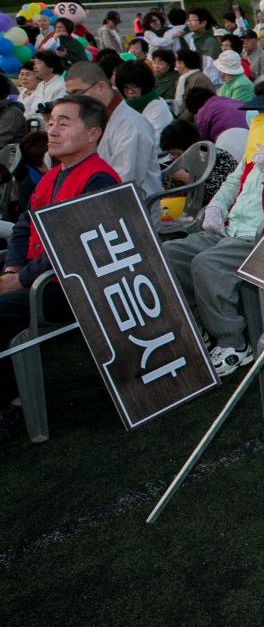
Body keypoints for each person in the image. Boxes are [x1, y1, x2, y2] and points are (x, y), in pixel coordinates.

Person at [162, 82, 264, 375]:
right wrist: (215, 208)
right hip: (230, 229)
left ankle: (233, 342)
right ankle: (198, 326)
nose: (257, 118)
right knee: (169, 254)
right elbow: (232, 182)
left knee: (207, 264)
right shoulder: (256, 147)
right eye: (258, 112)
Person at [1, 97, 120, 414]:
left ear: (93, 133)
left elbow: (73, 247)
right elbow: (25, 225)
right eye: (51, 122)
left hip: (70, 287)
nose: (51, 130)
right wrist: (13, 268)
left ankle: (13, 403)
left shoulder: (99, 179)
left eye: (63, 123)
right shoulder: (55, 175)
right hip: (36, 275)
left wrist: (20, 281)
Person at [63, 61, 162, 198]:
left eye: (78, 93)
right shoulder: (94, 119)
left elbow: (122, 182)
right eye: (69, 95)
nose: (74, 101)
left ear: (101, 87)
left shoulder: (131, 125)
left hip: (132, 209)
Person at [158, 119, 238, 207]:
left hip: (215, 210)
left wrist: (187, 178)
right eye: (171, 155)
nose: (175, 158)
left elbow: (221, 195)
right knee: (158, 211)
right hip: (187, 210)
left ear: (191, 147)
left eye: (177, 154)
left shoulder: (220, 159)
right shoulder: (179, 165)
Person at [116, 58, 174, 136]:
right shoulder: (125, 105)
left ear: (145, 85)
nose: (130, 92)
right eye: (125, 87)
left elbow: (153, 141)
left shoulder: (157, 108)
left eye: (135, 86)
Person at [173, 49, 214, 113]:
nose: (175, 65)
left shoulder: (200, 79)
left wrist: (181, 120)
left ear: (182, 63)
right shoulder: (182, 78)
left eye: (176, 62)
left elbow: (197, 107)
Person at [26, 52, 66, 117]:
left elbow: (59, 111)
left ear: (51, 67)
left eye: (38, 63)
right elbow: (32, 109)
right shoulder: (40, 85)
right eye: (34, 63)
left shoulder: (61, 85)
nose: (34, 67)